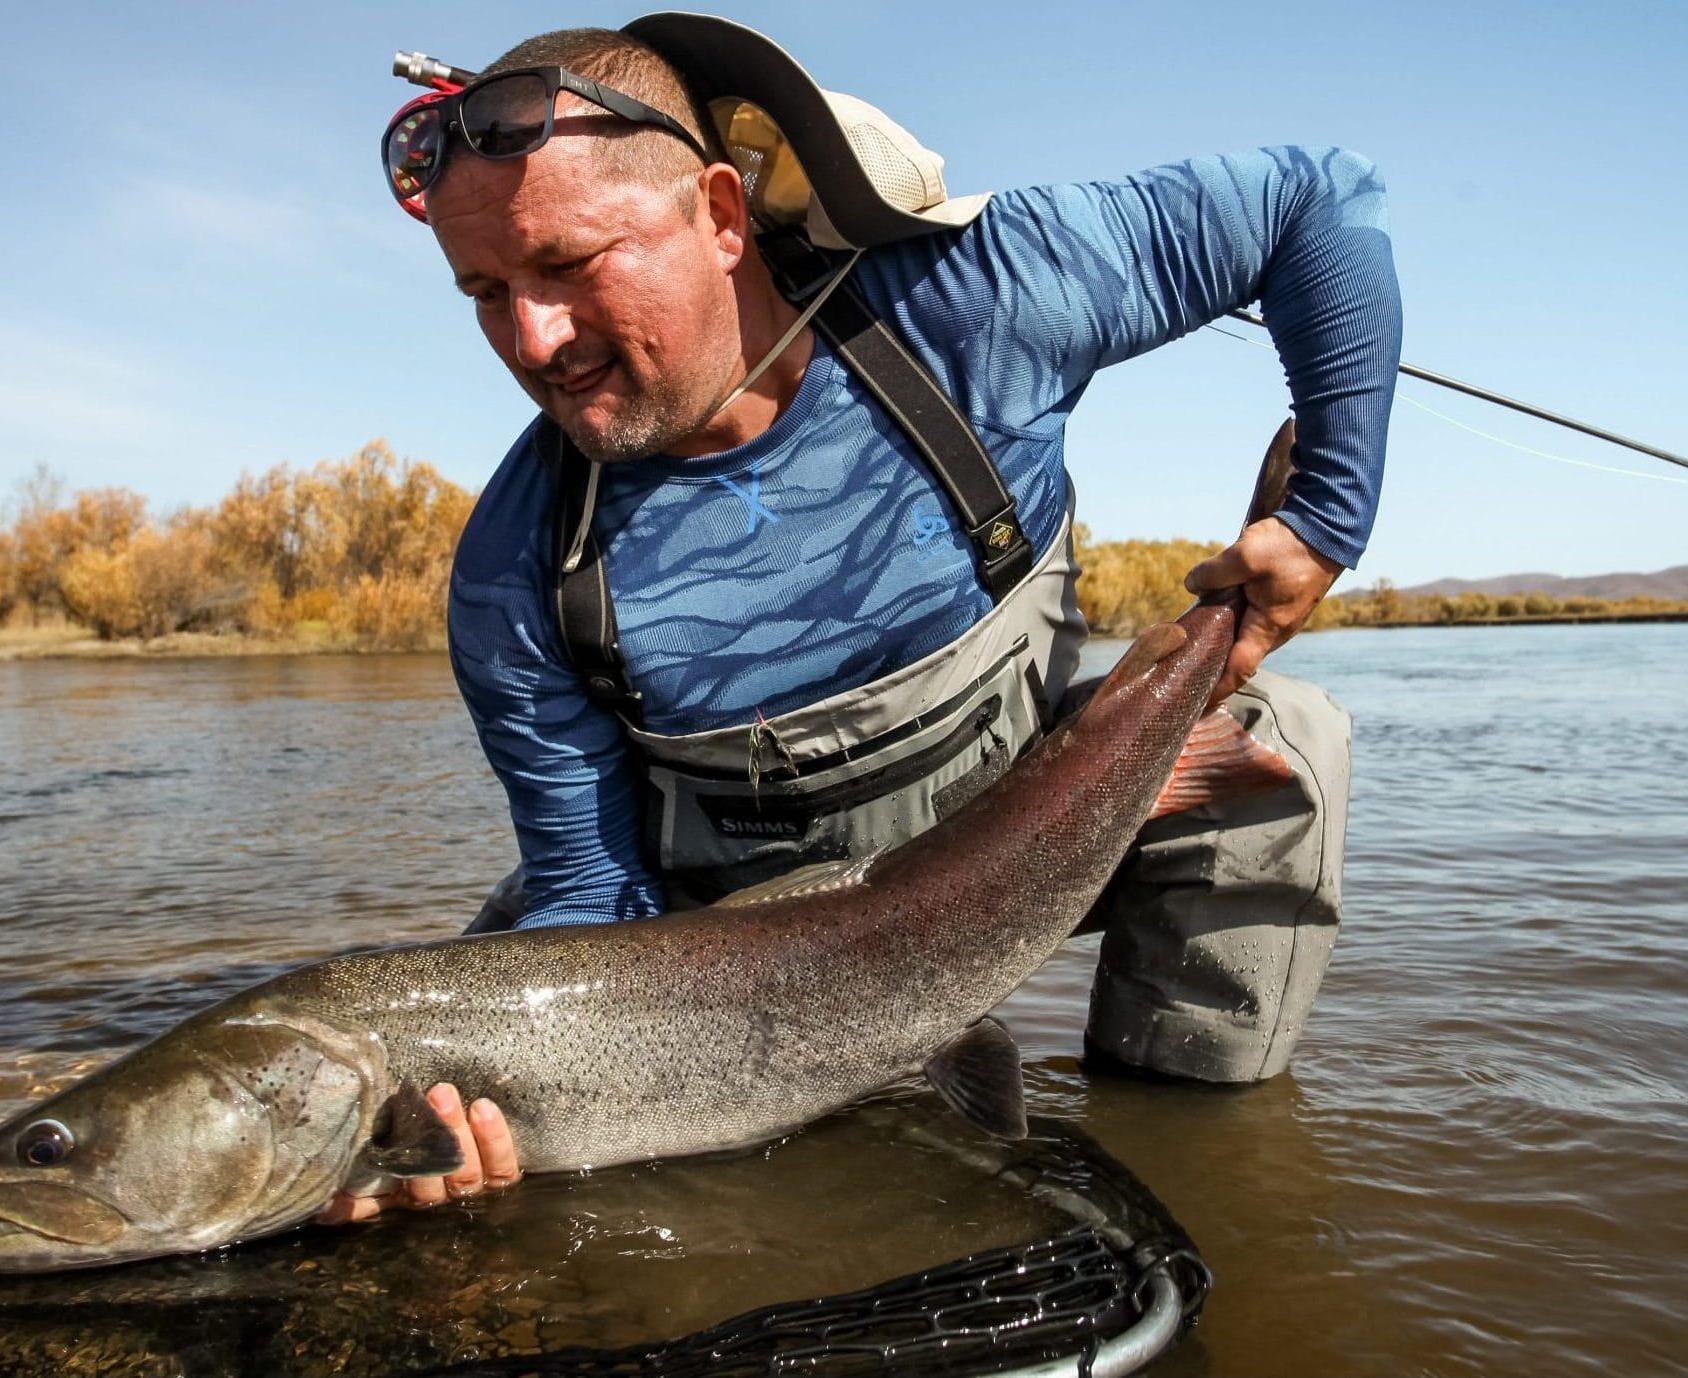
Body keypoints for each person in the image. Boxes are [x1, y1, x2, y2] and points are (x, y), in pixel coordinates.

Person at [320, 14, 1399, 1224]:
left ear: (720, 215)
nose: (533, 341)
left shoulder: (976, 300)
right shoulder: (516, 570)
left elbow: (1318, 200)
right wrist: (514, 1106)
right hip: (734, 947)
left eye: (568, 265)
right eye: (486, 293)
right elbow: (590, 892)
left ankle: (1186, 1179)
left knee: (1290, 744)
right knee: (469, 1046)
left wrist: (1324, 519)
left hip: (1037, 840)